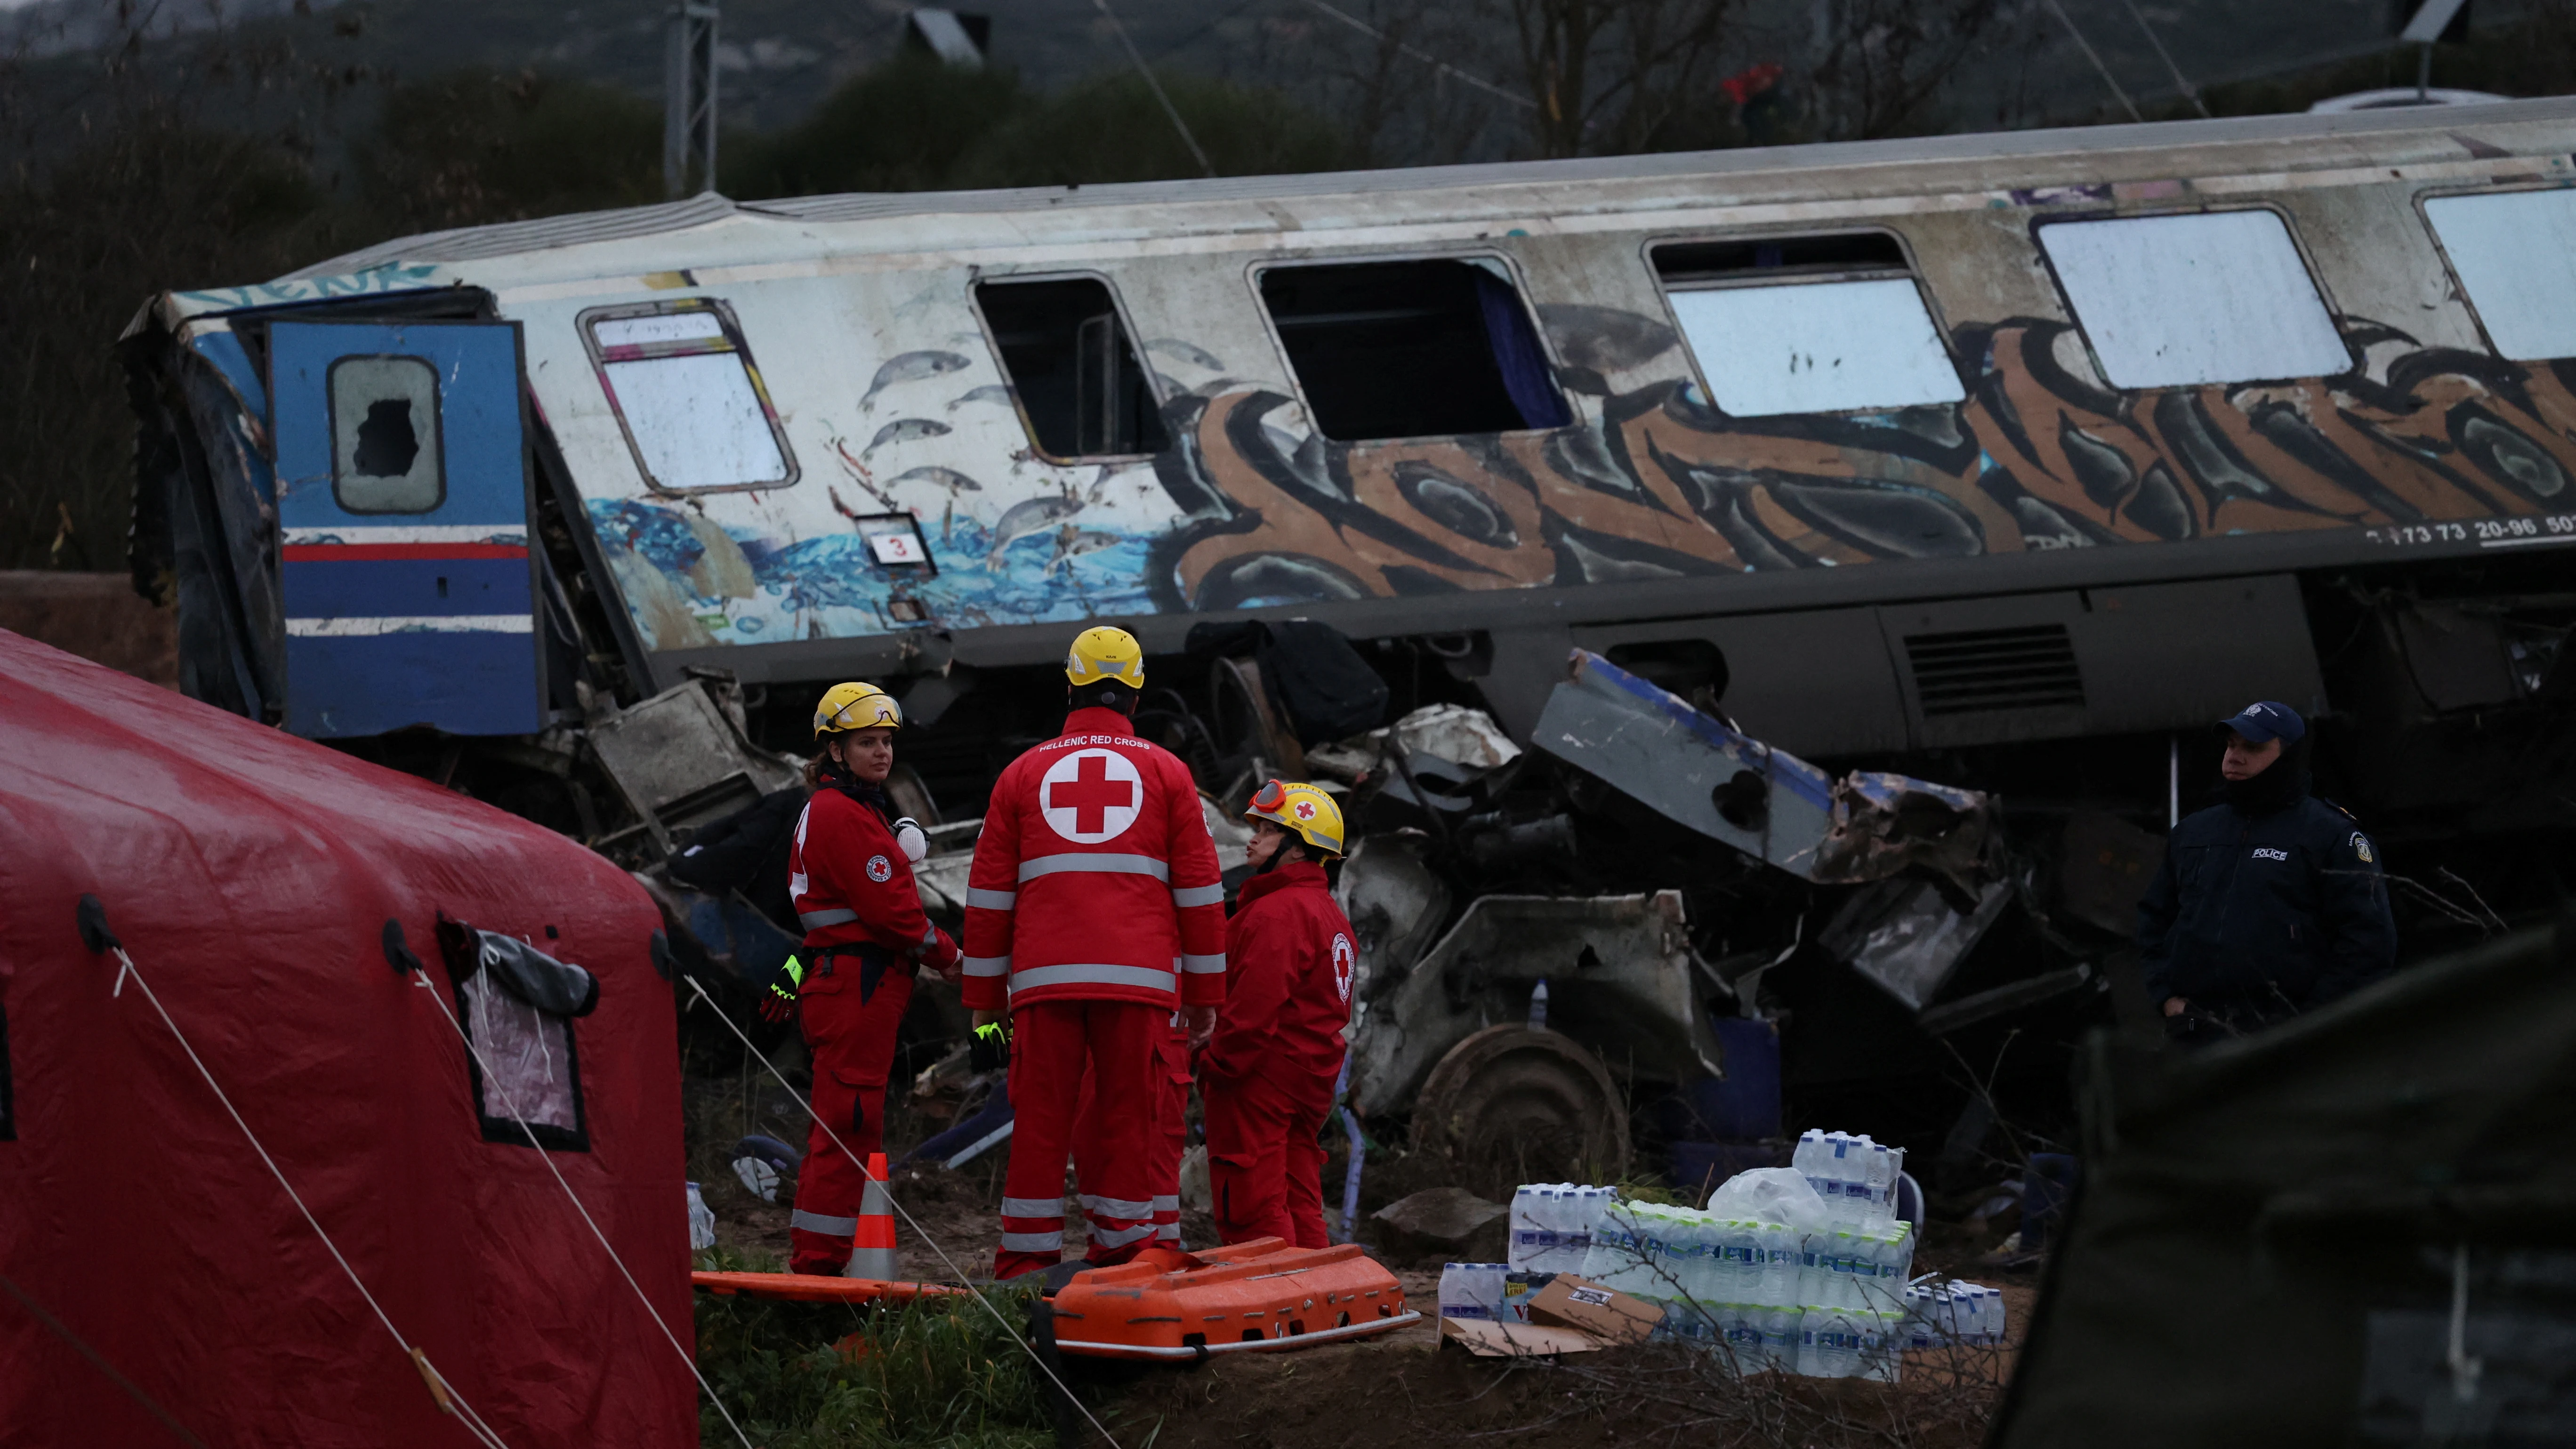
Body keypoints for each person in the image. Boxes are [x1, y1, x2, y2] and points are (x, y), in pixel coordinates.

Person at [961, 626, 1227, 1279]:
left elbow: (989, 900)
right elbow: (1200, 896)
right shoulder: (1169, 773)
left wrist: (983, 1001)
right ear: (1135, 695)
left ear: (1070, 686)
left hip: (1044, 981)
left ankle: (1026, 1262)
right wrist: (1204, 996)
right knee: (1128, 1118)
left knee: (1042, 1118)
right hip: (1137, 981)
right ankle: (1125, 1255)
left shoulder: (1021, 774)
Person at [774, 681, 961, 1275]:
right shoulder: (841, 814)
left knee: (849, 1126)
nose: (882, 753)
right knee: (847, 1127)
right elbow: (897, 916)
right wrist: (953, 958)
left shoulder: (847, 810)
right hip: (856, 985)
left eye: (886, 742)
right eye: (866, 743)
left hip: (854, 983)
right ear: (835, 751)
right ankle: (819, 1270)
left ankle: (822, 1261)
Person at [2137, 700, 2397, 1044]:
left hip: (2290, 1041)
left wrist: (2311, 1023)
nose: (2235, 756)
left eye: (2253, 747)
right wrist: (2167, 998)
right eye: (2231, 745)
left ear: (2287, 757)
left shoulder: (2331, 836)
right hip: (2197, 1035)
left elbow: (2369, 943)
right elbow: (2153, 921)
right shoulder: (2194, 833)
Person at [1199, 780, 1357, 1249]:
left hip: (1258, 1079)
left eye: (1268, 831)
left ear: (1294, 850)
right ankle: (1320, 1301)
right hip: (1306, 1080)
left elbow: (1253, 1007)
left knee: (1253, 1206)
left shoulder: (1277, 914)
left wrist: (1217, 1065)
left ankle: (1277, 1311)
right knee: (1298, 1197)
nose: (1254, 838)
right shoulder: (1327, 913)